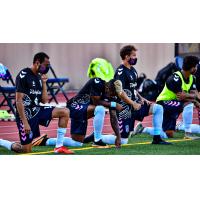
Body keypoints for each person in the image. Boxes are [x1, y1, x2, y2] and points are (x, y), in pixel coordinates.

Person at [84, 45, 170, 146]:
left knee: (158, 108)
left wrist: (142, 98)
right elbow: (120, 92)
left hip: (135, 105)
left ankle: (157, 138)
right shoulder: (120, 72)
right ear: (126, 56)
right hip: (124, 109)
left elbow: (133, 88)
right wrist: (133, 103)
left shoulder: (133, 70)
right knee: (123, 140)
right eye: (133, 55)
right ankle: (97, 137)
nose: (135, 58)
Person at [15, 52, 74, 154]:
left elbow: (44, 101)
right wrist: (25, 123)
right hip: (26, 115)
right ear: (37, 62)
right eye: (46, 65)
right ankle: (4, 143)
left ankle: (59, 146)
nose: (47, 68)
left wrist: (44, 83)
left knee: (65, 112)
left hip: (38, 110)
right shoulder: (23, 75)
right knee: (26, 151)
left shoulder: (39, 76)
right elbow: (18, 101)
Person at [155, 55, 200, 139]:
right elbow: (181, 97)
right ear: (191, 68)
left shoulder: (192, 78)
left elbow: (193, 94)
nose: (196, 69)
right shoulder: (175, 78)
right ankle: (188, 133)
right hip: (163, 103)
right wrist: (193, 99)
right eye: (196, 66)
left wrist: (191, 97)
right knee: (188, 104)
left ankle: (143, 129)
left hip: (173, 104)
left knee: (168, 134)